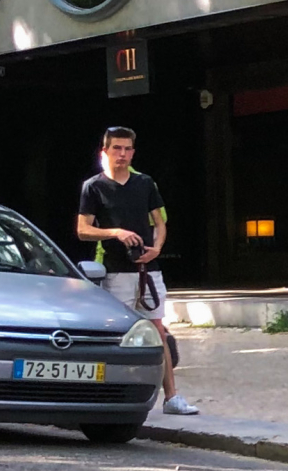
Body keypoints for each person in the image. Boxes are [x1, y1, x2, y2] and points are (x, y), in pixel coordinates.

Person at [77, 126, 198, 417]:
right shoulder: (93, 186)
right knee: (116, 334)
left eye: (128, 149)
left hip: (148, 269)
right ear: (104, 152)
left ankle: (172, 397)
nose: (123, 154)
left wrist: (156, 248)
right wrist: (115, 232)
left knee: (157, 330)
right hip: (114, 271)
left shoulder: (145, 183)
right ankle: (109, 395)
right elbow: (82, 230)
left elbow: (160, 222)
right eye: (117, 148)